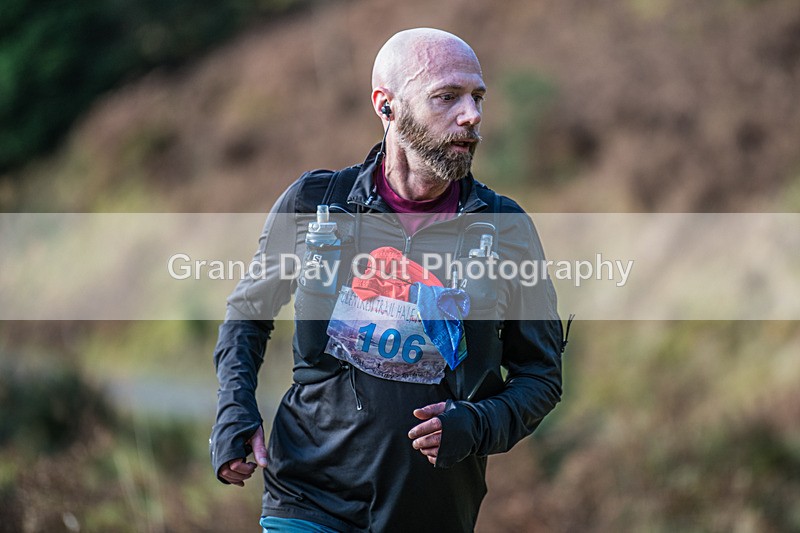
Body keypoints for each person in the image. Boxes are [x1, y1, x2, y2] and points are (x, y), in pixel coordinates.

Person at [210, 28, 565, 532]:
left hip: (432, 512)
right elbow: (248, 312)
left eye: (477, 97)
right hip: (307, 498)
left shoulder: (506, 228)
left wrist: (478, 425)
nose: (472, 115)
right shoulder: (316, 202)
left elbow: (541, 377)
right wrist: (235, 409)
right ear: (386, 106)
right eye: (447, 97)